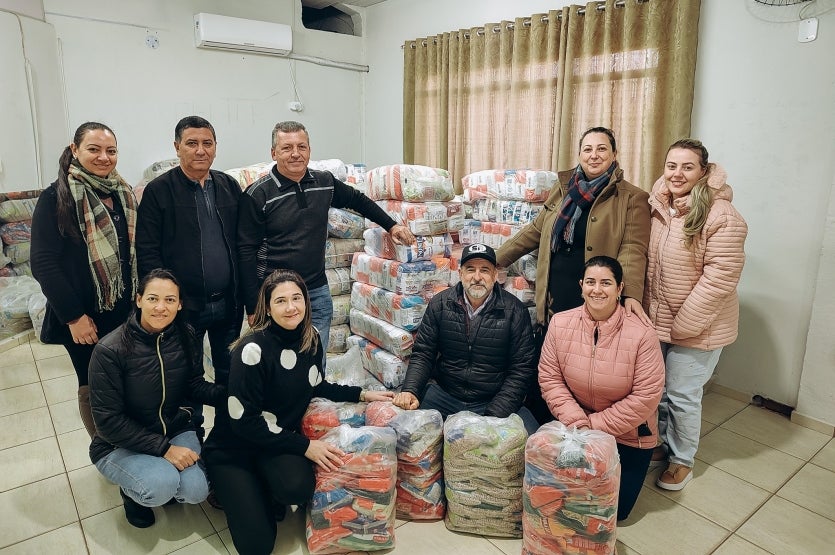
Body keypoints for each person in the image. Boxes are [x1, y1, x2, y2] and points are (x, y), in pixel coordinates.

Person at [202, 269, 394, 555]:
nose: (291, 307)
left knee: (298, 488)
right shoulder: (252, 349)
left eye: (296, 298)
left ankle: (263, 487)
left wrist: (362, 394)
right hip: (234, 448)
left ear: (306, 301)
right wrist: (305, 446)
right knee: (257, 547)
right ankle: (229, 487)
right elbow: (244, 422)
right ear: (267, 307)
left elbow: (315, 384)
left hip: (272, 441)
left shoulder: (310, 338)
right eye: (280, 301)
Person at [496, 126, 651, 424]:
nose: (594, 155)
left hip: (592, 294)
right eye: (587, 149)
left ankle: (581, 428)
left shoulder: (631, 197)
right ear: (579, 154)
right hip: (555, 291)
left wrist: (629, 293)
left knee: (583, 365)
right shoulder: (564, 188)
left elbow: (633, 249)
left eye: (602, 148)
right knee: (551, 362)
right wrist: (493, 260)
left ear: (615, 154)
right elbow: (536, 230)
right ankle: (544, 426)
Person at [237, 121, 415, 355]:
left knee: (315, 355)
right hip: (276, 293)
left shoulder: (324, 182)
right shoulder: (258, 194)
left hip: (316, 289)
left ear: (309, 150)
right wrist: (252, 304)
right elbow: (245, 251)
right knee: (277, 360)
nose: (295, 154)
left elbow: (358, 200)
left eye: (301, 147)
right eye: (287, 148)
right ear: (274, 153)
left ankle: (312, 392)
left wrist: (391, 226)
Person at [643, 139, 747, 491]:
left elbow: (719, 278)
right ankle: (660, 445)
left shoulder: (721, 215)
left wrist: (683, 324)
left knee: (682, 394)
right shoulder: (658, 206)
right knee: (656, 392)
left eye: (687, 167)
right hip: (658, 320)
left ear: (704, 171)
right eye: (672, 165)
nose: (677, 174)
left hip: (698, 326)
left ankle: (682, 460)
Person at [88, 269, 225, 528]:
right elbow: (108, 422)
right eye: (152, 298)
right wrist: (165, 450)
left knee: (195, 491)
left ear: (180, 304)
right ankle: (133, 495)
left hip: (175, 428)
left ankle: (160, 476)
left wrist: (234, 394)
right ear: (138, 300)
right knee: (160, 486)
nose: (161, 307)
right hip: (120, 443)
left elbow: (194, 385)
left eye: (170, 300)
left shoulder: (186, 335)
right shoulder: (110, 350)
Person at [30, 122, 137, 439]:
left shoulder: (121, 193)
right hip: (84, 318)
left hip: (123, 311)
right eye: (94, 149)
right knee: (93, 385)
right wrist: (74, 317)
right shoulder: (56, 197)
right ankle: (105, 449)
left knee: (126, 379)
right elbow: (44, 263)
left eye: (111, 150)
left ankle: (130, 439)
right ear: (75, 150)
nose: (104, 157)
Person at [538, 256, 665, 521]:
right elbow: (550, 378)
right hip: (573, 426)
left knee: (614, 512)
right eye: (591, 282)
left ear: (620, 289)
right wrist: (577, 423)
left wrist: (592, 427)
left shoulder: (642, 334)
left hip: (628, 435)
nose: (597, 290)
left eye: (606, 283)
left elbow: (646, 397)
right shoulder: (560, 323)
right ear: (581, 286)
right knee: (560, 500)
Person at [136, 116, 242, 389]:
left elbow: (245, 242)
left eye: (207, 143)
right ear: (177, 146)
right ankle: (191, 430)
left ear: (216, 147)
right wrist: (162, 301)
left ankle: (227, 429)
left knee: (230, 373)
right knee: (185, 377)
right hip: (185, 307)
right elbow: (147, 251)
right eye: (191, 143)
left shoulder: (229, 186)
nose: (200, 150)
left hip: (228, 304)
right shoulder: (158, 191)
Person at [392, 243, 539, 434]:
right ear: (460, 273)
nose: (477, 277)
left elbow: (521, 370)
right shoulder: (440, 304)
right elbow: (423, 353)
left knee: (533, 442)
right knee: (403, 431)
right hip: (445, 396)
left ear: (495, 275)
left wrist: (493, 415)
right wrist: (410, 389)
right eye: (471, 270)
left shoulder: (515, 311)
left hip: (493, 399)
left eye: (484, 270)